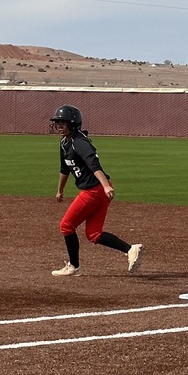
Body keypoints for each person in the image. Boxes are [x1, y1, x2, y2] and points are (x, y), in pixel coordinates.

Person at [50, 104, 143, 277]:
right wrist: (60, 190)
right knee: (94, 234)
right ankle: (131, 249)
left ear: (73, 124)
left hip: (95, 190)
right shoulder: (64, 144)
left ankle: (73, 266)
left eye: (63, 122)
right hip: (98, 190)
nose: (59, 126)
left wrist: (105, 185)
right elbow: (65, 169)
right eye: (57, 122)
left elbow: (94, 164)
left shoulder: (80, 142)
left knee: (66, 226)